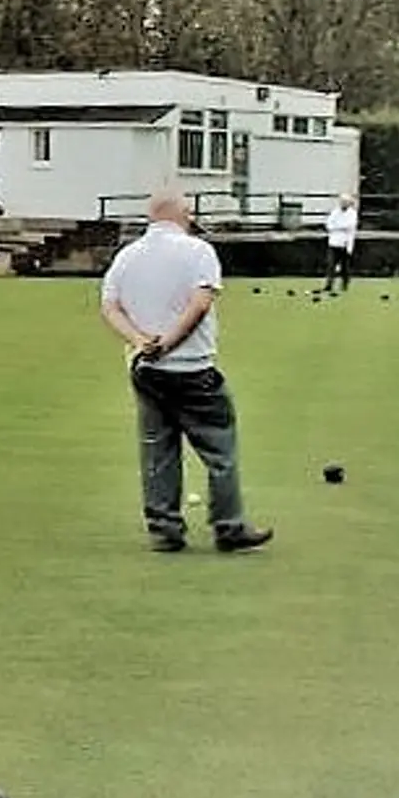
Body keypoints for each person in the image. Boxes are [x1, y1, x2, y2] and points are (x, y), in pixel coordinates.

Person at [99, 187, 274, 554]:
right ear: (184, 214)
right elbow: (199, 304)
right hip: (192, 368)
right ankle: (229, 526)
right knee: (220, 448)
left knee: (157, 449)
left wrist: (140, 341)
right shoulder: (199, 252)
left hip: (145, 369)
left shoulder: (127, 256)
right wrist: (168, 343)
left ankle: (165, 529)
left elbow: (110, 307)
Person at [322, 194, 358, 294]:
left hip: (345, 244)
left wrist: (337, 227)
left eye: (345, 202)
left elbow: (349, 227)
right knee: (330, 265)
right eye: (342, 202)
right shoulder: (335, 212)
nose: (343, 204)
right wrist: (339, 227)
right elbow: (329, 225)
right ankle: (329, 285)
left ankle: (345, 284)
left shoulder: (352, 214)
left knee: (345, 267)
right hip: (333, 243)